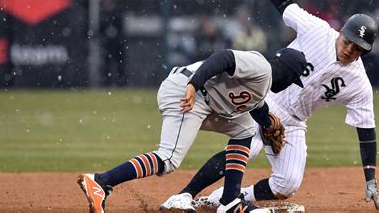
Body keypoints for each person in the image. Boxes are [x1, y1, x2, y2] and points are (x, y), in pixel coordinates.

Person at [162, 0, 379, 211]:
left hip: (296, 120)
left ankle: (221, 199)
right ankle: (184, 195)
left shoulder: (359, 83)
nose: (349, 50)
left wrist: (370, 178)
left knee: (287, 184)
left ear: (366, 51)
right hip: (266, 101)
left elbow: (367, 132)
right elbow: (285, 4)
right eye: (348, 42)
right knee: (245, 149)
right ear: (341, 31)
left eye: (357, 49)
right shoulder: (318, 30)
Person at [77, 47, 312, 213]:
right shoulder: (261, 67)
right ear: (289, 73)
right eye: (293, 79)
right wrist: (193, 85)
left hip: (205, 101)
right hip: (187, 92)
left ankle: (230, 201)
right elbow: (223, 58)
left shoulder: (262, 86)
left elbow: (257, 108)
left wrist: (267, 122)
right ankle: (101, 181)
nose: (290, 85)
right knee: (168, 158)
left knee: (245, 129)